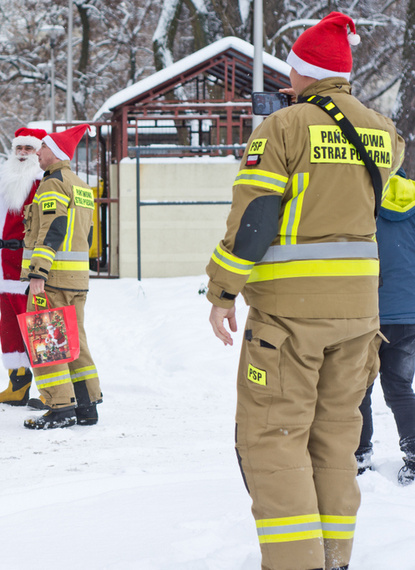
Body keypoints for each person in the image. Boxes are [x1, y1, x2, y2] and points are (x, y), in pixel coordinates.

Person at [206, 12, 404, 570]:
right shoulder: (383, 134)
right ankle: (335, 558)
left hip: (290, 317)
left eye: (290, 72)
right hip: (362, 316)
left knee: (274, 439)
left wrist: (222, 291)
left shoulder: (284, 127)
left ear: (303, 72)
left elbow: (256, 218)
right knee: (336, 442)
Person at [21, 124, 102, 430]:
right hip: (77, 279)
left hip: (52, 277)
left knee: (47, 340)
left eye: (42, 146)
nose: (37, 152)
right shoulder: (81, 186)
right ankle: (86, 406)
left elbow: (52, 230)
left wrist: (38, 272)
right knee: (74, 341)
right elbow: (88, 234)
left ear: (55, 152)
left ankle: (60, 408)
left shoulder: (52, 184)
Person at [0, 127, 47, 407]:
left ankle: (51, 391)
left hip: (26, 268)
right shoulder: (6, 179)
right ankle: (17, 386)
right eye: (19, 148)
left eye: (28, 149)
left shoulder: (42, 182)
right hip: (2, 267)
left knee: (39, 327)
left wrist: (40, 265)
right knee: (9, 328)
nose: (22, 154)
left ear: (38, 152)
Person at [356, 172, 415, 485]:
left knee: (358, 389)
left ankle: (359, 458)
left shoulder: (362, 197)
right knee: (400, 388)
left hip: (370, 313)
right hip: (410, 314)